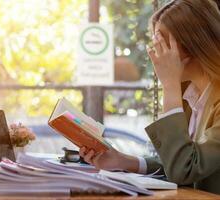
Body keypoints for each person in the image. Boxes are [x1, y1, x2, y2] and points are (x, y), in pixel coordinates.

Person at [79, 0, 220, 194]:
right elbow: (177, 159)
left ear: (192, 43)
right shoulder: (192, 97)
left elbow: (184, 169)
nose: (154, 53)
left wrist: (169, 84)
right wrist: (124, 161)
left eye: (161, 43)